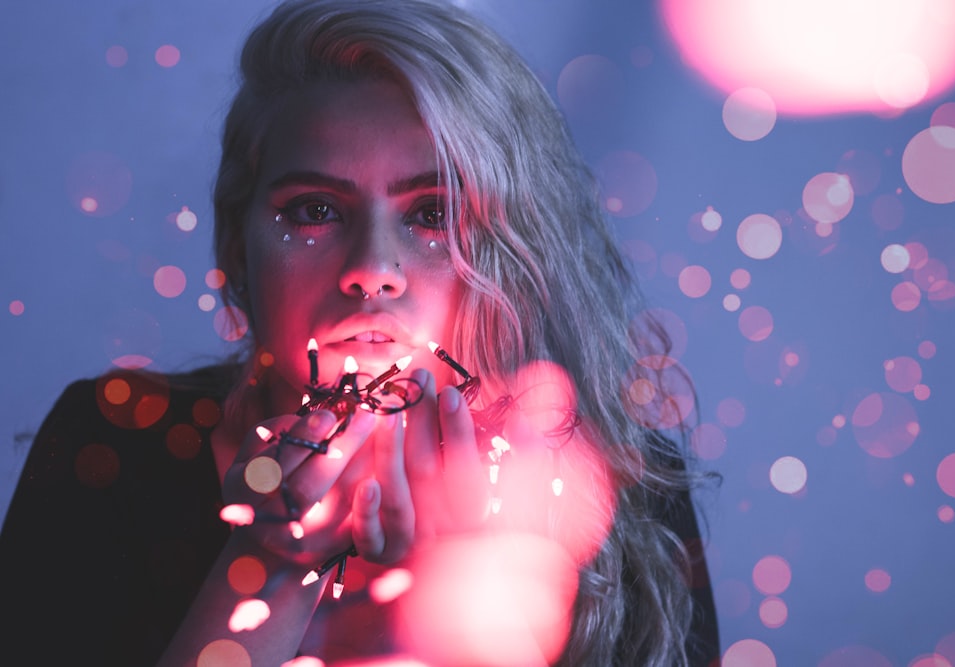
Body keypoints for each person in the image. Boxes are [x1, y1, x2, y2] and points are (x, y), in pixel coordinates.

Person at [0, 0, 719, 665]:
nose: (373, 271)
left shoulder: (625, 489)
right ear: (235, 245)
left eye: (434, 214)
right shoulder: (115, 445)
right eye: (314, 209)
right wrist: (268, 565)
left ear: (520, 249)